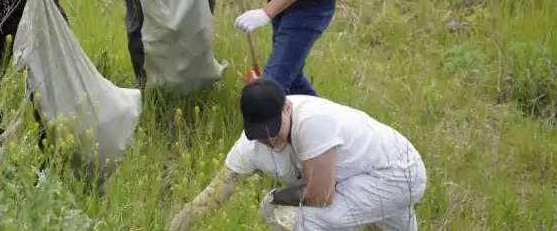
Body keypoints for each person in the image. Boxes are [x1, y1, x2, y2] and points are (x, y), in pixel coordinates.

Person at [169, 79, 427, 231]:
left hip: (396, 172)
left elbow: (320, 196)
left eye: (273, 130)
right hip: (358, 174)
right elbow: (214, 195)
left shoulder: (313, 122)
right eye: (259, 133)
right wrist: (173, 226)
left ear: (287, 108)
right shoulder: (249, 146)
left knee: (292, 216)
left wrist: (275, 197)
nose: (269, 140)